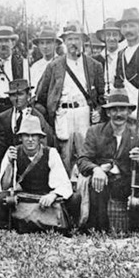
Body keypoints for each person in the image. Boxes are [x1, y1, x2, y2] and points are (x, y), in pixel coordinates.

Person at [77, 89, 139, 232]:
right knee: (98, 182)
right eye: (114, 110)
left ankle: (138, 228)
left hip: (125, 182)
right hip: (103, 181)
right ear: (108, 113)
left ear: (128, 112)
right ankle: (100, 229)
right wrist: (96, 169)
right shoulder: (95, 131)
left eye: (122, 110)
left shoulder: (136, 137)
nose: (118, 114)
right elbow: (83, 160)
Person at [36, 20, 104, 174]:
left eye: (77, 38)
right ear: (64, 42)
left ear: (83, 41)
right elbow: (41, 97)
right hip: (63, 115)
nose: (73, 43)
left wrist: (98, 111)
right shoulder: (54, 66)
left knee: (86, 154)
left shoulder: (94, 66)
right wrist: (49, 121)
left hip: (84, 114)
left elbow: (101, 97)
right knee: (64, 156)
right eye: (69, 39)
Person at [0, 115, 73, 232]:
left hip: (44, 199)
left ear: (40, 137)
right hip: (23, 199)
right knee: (2, 198)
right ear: (20, 138)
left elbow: (63, 183)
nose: (30, 139)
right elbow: (4, 186)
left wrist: (53, 195)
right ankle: (7, 227)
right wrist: (10, 164)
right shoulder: (13, 152)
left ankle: (63, 227)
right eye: (26, 135)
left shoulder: (51, 153)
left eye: (34, 136)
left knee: (74, 198)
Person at [0, 78, 54, 148]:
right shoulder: (3, 117)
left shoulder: (37, 116)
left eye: (20, 94)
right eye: (13, 95)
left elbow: (45, 141)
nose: (17, 98)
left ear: (28, 95)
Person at [0, 25, 27, 112]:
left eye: (7, 41)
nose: (3, 44)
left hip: (14, 106)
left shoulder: (21, 63)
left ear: (13, 43)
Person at [94, 18, 122, 93]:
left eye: (115, 35)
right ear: (103, 37)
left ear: (120, 37)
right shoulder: (96, 60)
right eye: (108, 34)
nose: (112, 38)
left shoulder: (124, 57)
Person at [30, 26, 59, 92]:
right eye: (42, 43)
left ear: (56, 44)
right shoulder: (35, 66)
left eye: (48, 43)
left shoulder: (62, 63)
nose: (45, 46)